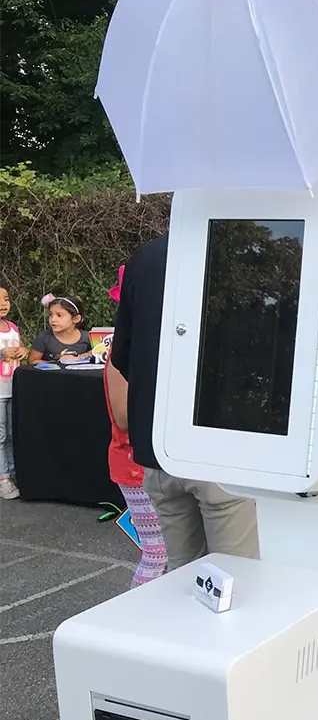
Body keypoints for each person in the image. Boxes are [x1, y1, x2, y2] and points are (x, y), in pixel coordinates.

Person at [111, 235, 259, 571]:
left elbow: (123, 355)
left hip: (160, 448)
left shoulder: (146, 257)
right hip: (222, 449)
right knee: (236, 579)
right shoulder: (240, 250)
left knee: (183, 577)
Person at [104, 265, 167, 588]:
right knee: (157, 554)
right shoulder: (121, 351)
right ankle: (138, 613)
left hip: (155, 462)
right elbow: (123, 416)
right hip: (134, 464)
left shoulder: (152, 343)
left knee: (172, 555)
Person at [0, 286, 27, 500]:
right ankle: (3, 478)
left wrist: (23, 351)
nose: (3, 304)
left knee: (11, 433)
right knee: (0, 435)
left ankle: (11, 471)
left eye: (6, 299)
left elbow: (22, 347)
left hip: (13, 387)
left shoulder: (13, 327)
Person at [29, 293, 93, 363]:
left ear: (76, 319)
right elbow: (32, 362)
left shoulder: (89, 338)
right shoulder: (44, 337)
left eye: (59, 315)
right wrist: (58, 363)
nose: (53, 319)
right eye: (51, 314)